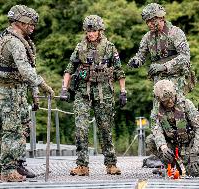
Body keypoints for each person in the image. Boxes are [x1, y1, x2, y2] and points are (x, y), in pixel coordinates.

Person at [0, 5, 54, 182]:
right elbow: (25, 70)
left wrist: (33, 92)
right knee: (12, 130)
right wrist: (42, 84)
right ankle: (9, 170)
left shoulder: (6, 37)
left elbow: (28, 68)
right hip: (9, 91)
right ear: (20, 22)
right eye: (30, 23)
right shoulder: (15, 42)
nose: (33, 26)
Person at [60, 15, 126, 176]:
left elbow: (118, 70)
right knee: (81, 129)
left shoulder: (109, 47)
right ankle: (82, 165)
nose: (91, 34)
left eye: (94, 30)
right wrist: (64, 88)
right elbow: (69, 68)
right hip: (83, 92)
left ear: (100, 31)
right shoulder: (80, 47)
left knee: (105, 129)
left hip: (104, 92)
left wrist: (123, 91)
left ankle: (111, 164)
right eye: (88, 31)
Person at [146, 79, 199, 177]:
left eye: (172, 97)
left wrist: (195, 152)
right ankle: (172, 165)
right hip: (172, 144)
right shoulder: (156, 111)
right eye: (166, 100)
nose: (170, 101)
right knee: (150, 140)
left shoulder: (186, 105)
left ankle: (186, 165)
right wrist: (163, 147)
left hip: (189, 144)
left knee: (194, 172)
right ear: (159, 100)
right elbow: (156, 131)